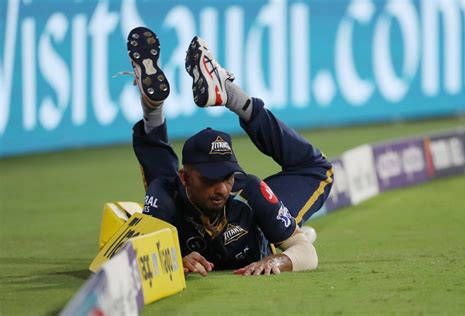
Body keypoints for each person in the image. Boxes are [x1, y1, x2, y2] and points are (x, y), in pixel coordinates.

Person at [127, 27, 333, 276]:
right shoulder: (165, 195)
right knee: (163, 184)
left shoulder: (249, 192)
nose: (222, 188)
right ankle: (156, 108)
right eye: (210, 178)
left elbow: (305, 251)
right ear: (186, 178)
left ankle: (226, 96)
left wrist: (280, 260)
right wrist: (171, 258)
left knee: (317, 169)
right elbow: (129, 254)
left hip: (259, 231)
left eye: (227, 177)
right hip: (176, 197)